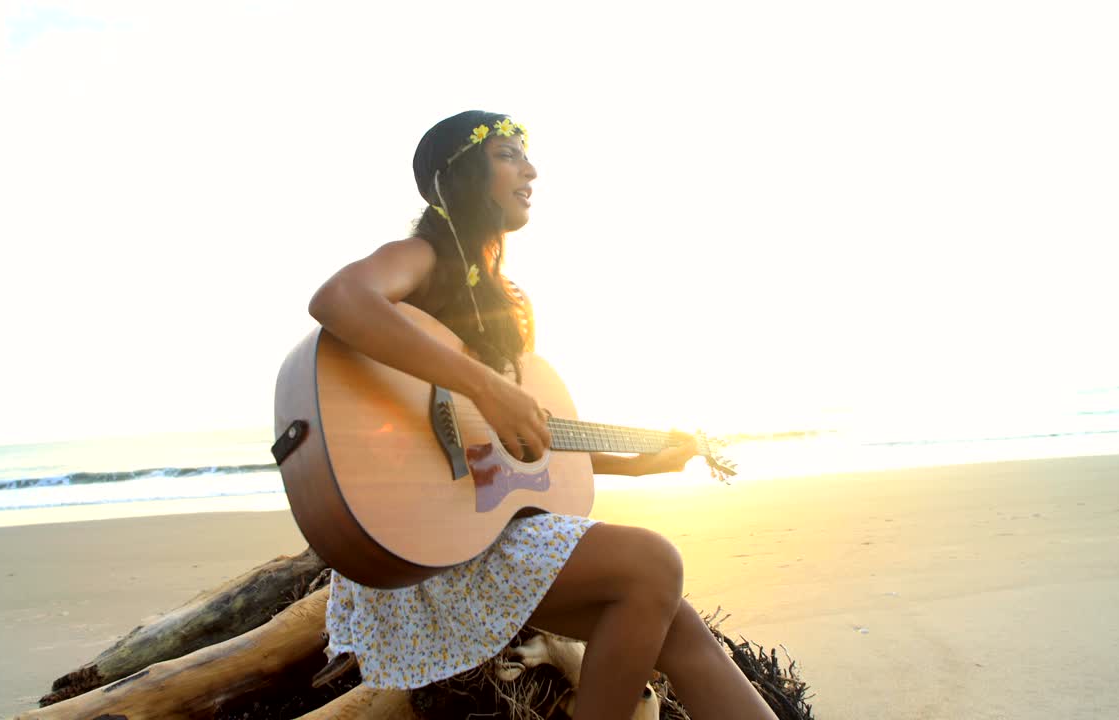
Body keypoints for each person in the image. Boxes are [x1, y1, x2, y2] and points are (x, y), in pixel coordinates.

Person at [308, 110, 780, 720]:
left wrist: (637, 467)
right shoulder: (420, 257)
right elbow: (338, 299)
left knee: (680, 629)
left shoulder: (511, 301)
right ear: (457, 173)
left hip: (485, 532)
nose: (530, 170)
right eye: (507, 154)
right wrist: (484, 385)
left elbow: (519, 450)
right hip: (428, 544)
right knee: (654, 562)